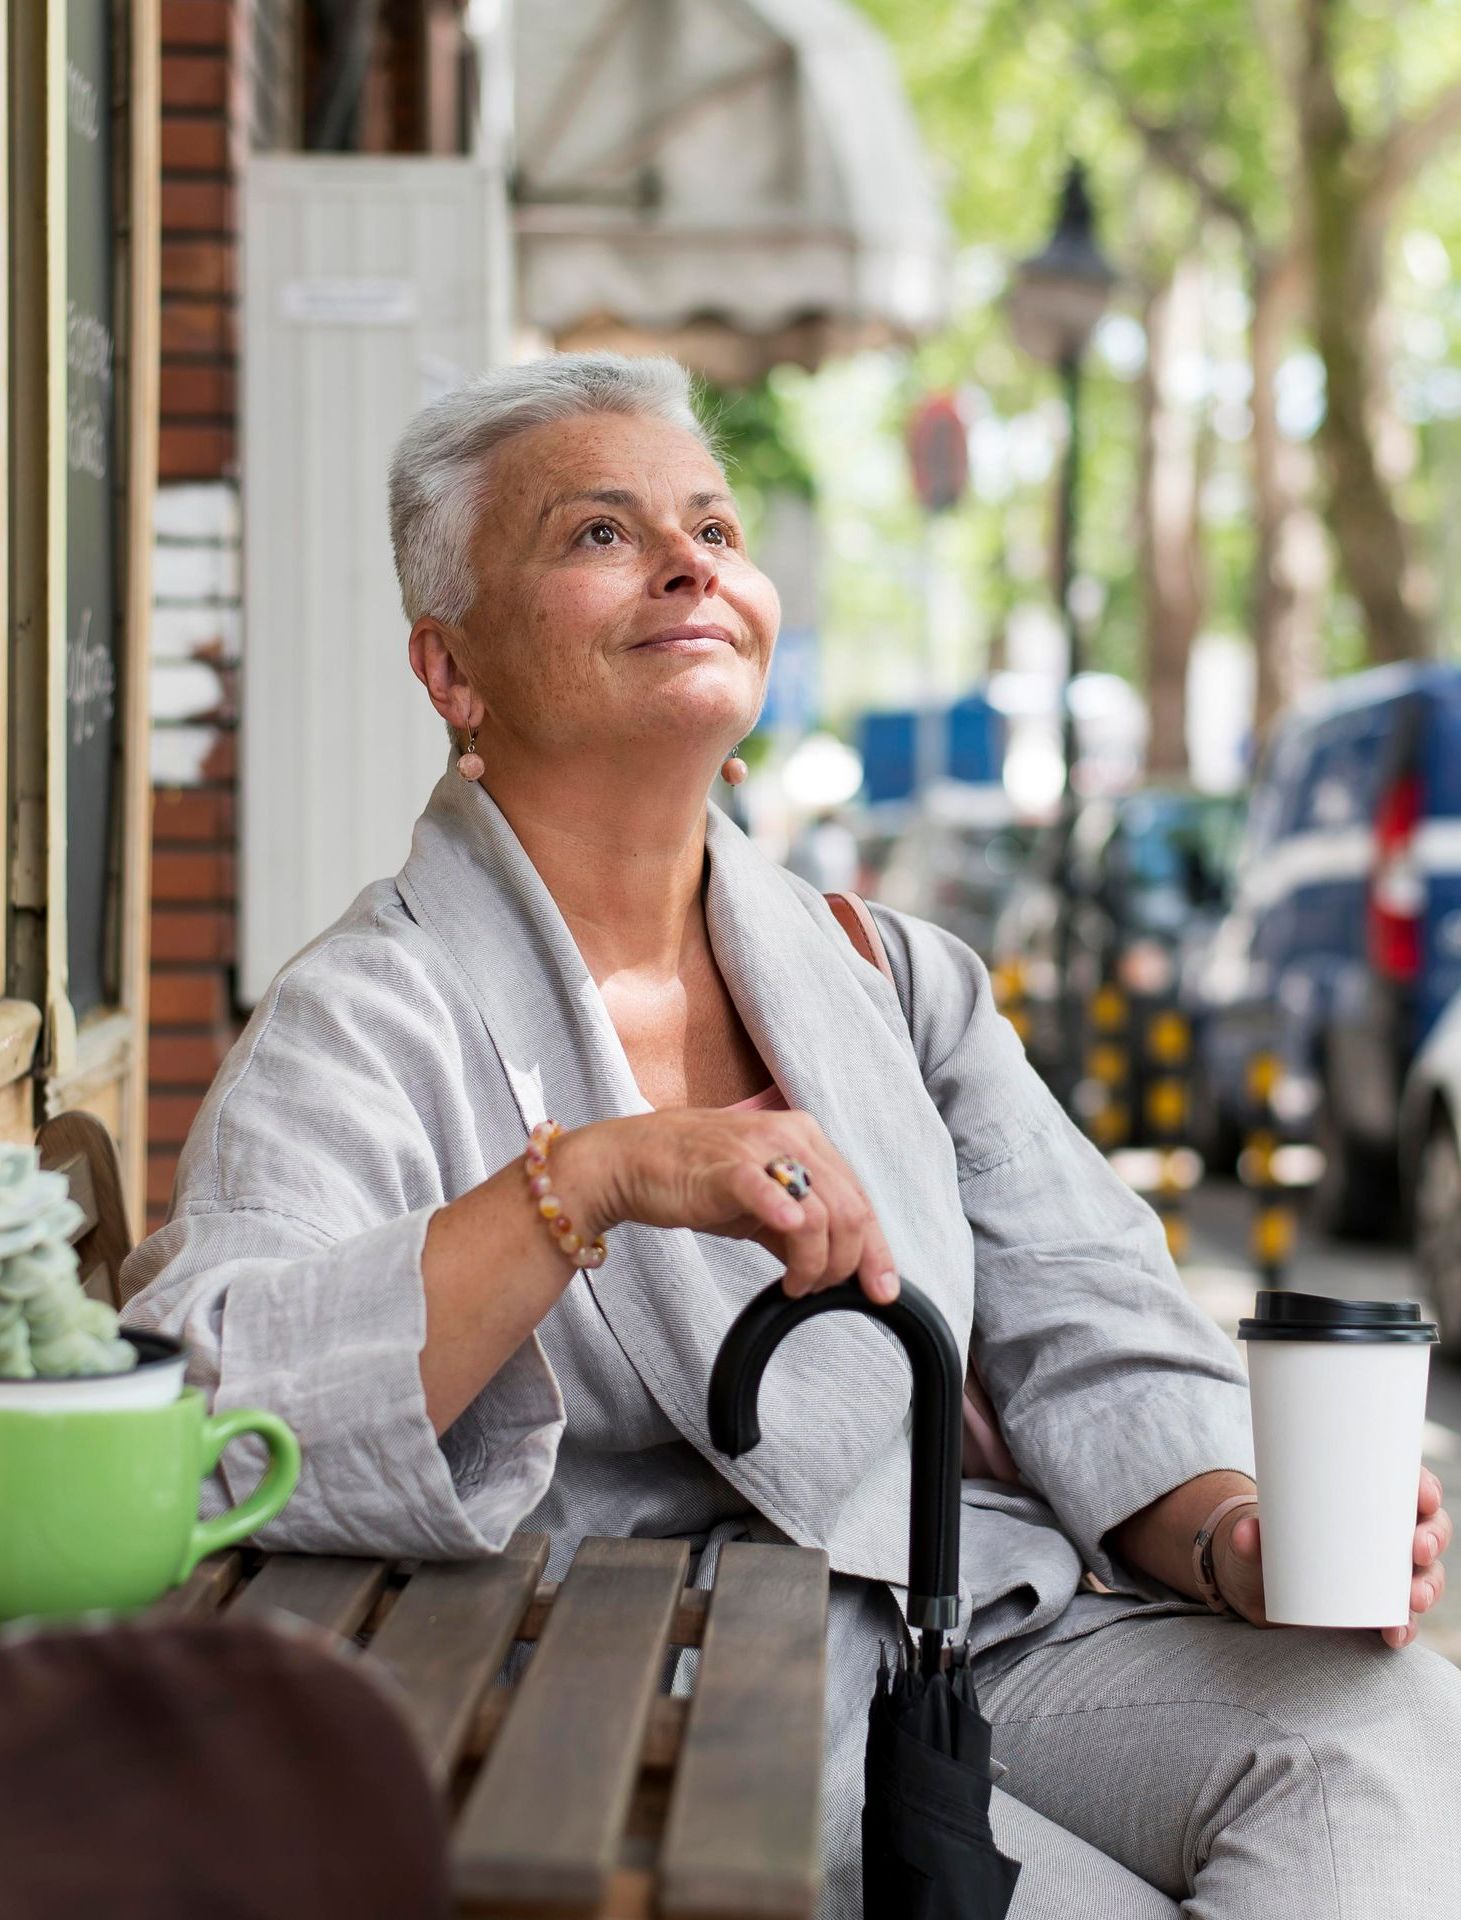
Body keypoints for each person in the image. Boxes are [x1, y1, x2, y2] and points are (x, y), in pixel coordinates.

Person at [123, 353, 1459, 1918]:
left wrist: (1236, 1532)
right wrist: (589, 1182)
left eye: (710, 524)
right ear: (451, 669)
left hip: (967, 1619)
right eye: (597, 534)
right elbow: (214, 1412)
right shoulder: (369, 1012)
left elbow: (1091, 1317)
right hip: (642, 1675)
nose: (691, 560)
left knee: (1383, 1737)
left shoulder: (889, 976)